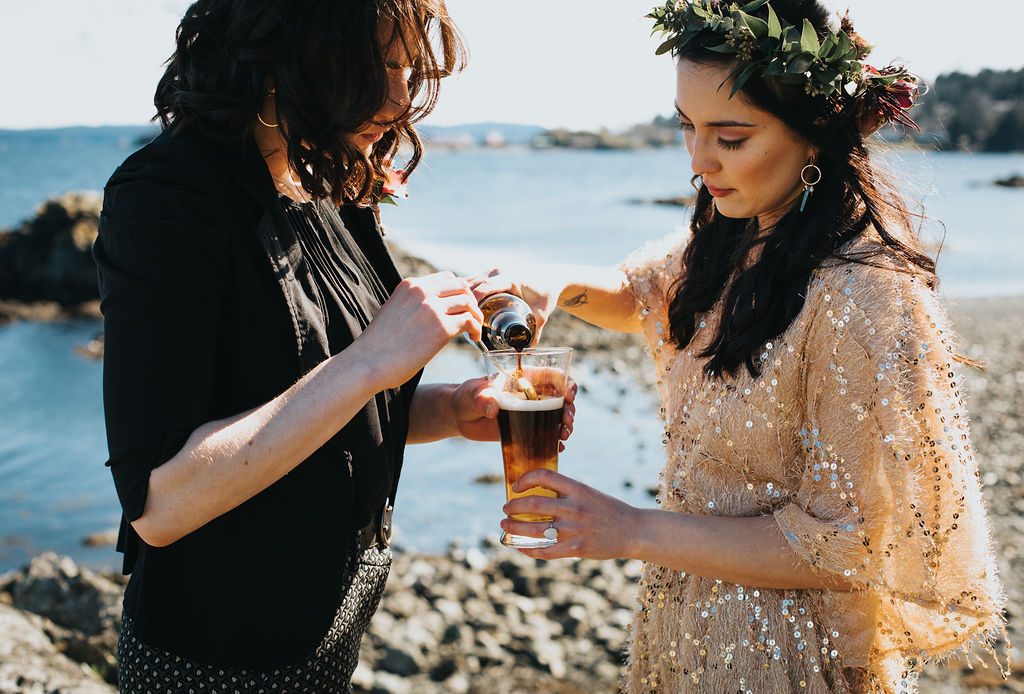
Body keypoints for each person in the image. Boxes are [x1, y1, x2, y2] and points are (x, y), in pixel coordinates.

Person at [475, 0, 1007, 691]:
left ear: (813, 134)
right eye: (687, 128)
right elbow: (642, 297)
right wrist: (555, 283)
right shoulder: (741, 232)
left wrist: (631, 528)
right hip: (682, 631)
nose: (699, 161)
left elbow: (851, 542)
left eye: (729, 137)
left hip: (787, 654)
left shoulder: (867, 296)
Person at [93, 1, 576, 691]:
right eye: (382, 63)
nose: (403, 96)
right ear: (291, 44)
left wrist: (447, 409)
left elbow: (309, 412)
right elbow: (161, 504)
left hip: (327, 645)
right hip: (211, 665)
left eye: (410, 67)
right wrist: (372, 361)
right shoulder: (164, 199)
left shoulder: (326, 175)